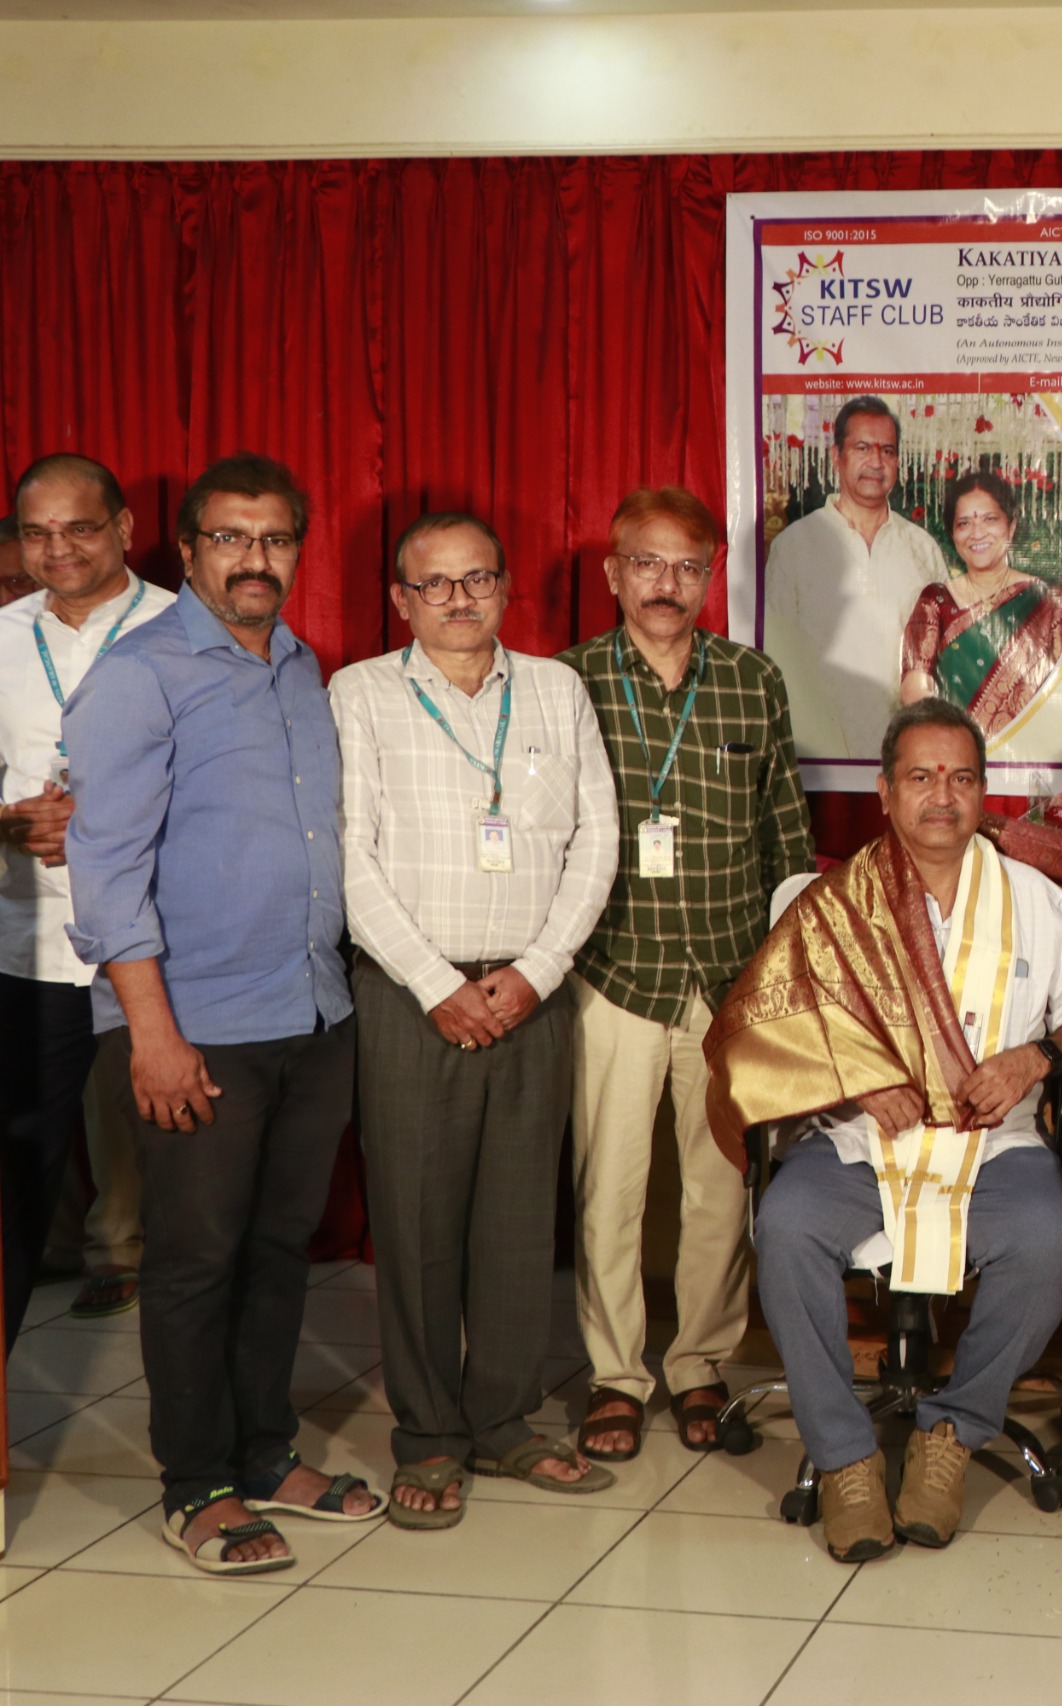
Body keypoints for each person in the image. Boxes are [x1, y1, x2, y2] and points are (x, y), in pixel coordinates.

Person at [709, 699, 1062, 1563]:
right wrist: (853, 1081)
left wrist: (1036, 1057)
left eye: (962, 778)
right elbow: (762, 1033)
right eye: (922, 777)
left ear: (983, 793)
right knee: (787, 1227)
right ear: (886, 792)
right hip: (861, 1142)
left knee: (1045, 1241)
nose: (943, 795)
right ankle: (845, 1457)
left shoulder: (1031, 897)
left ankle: (952, 1433)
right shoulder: (834, 903)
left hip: (994, 1141)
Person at [66, 452, 382, 1572]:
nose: (256, 558)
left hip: (311, 1012)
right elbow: (105, 870)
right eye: (231, 537)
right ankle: (194, 1484)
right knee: (197, 1260)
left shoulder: (298, 665)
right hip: (195, 1027)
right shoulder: (140, 675)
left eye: (276, 538)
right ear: (189, 549)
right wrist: (150, 1034)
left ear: (297, 549)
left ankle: (264, 1454)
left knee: (277, 1251)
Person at [333, 511, 620, 1528]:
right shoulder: (361, 692)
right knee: (416, 1222)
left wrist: (538, 972)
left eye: (477, 579)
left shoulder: (555, 689)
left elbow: (597, 840)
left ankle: (502, 1418)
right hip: (412, 996)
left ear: (505, 586)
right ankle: (428, 1434)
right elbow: (349, 855)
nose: (458, 600)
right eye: (435, 584)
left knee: (516, 1220)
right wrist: (433, 982)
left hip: (531, 994)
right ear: (401, 599)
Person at [560, 486, 816, 1461]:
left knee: (719, 1189)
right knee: (609, 1189)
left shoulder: (753, 681)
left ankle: (701, 1362)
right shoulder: (568, 680)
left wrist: (785, 981)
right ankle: (615, 1375)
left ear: (712, 577)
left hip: (727, 976)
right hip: (614, 970)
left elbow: (786, 835)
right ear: (613, 572)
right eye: (647, 563)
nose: (665, 584)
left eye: (686, 567)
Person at [0, 456, 174, 1348]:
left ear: (125, 528)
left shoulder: (186, 629)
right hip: (30, 946)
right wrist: (8, 821)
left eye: (79, 527)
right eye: (37, 532)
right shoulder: (1, 636)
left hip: (162, 948)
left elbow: (231, 793)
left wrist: (99, 821)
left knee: (188, 1172)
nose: (57, 548)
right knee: (17, 1174)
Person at [761, 396, 944, 762]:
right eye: (862, 448)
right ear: (836, 456)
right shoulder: (794, 546)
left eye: (887, 451)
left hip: (907, 758)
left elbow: (941, 655)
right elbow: (777, 661)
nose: (876, 461)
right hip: (818, 758)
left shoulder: (922, 548)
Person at [898, 470, 1062, 737]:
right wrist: (957, 738)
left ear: (1011, 526)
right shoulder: (936, 600)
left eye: (989, 519)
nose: (977, 533)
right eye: (964, 523)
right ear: (952, 533)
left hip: (1034, 748)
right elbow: (914, 688)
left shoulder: (1051, 602)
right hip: (956, 749)